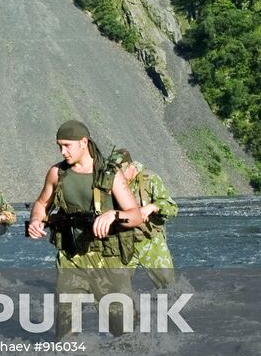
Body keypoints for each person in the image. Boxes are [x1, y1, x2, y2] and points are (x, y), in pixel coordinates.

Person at [27, 120, 144, 336]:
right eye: (59, 146)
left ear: (84, 142)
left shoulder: (110, 174)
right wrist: (36, 220)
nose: (62, 152)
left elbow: (136, 216)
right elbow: (42, 203)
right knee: (66, 328)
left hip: (107, 258)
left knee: (124, 331)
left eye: (67, 146)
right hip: (71, 257)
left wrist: (113, 214)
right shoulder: (57, 173)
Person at [115, 149, 178, 287]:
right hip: (124, 242)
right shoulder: (112, 183)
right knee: (115, 290)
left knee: (169, 288)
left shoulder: (150, 179)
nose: (119, 177)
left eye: (122, 172)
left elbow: (172, 207)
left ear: (132, 166)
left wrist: (153, 207)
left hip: (150, 241)